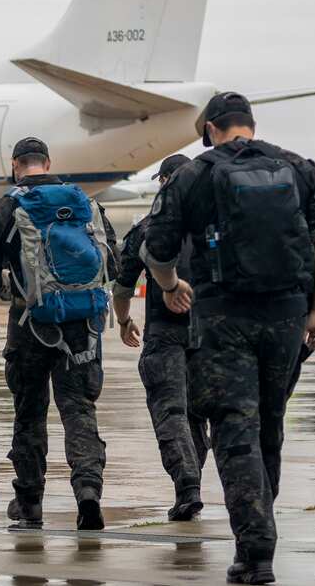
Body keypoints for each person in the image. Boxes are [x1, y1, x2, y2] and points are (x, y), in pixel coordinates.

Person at [143, 92, 315, 585]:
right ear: (250, 124)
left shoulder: (194, 175)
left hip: (222, 318)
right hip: (286, 317)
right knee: (270, 423)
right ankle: (262, 526)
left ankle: (254, 552)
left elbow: (157, 247)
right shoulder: (299, 169)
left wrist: (170, 286)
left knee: (235, 429)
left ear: (210, 129)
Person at [0, 137, 117, 531]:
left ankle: (30, 503)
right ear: (48, 163)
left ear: (15, 165)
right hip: (83, 325)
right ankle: (88, 490)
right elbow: (112, 262)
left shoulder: (8, 205)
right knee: (79, 410)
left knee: (30, 412)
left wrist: (4, 287)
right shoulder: (83, 202)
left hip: (30, 323)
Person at [113, 154, 209, 521]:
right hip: (208, 334)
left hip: (165, 333)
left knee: (171, 412)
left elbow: (123, 288)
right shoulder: (214, 223)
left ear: (166, 181)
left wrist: (124, 322)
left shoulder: (147, 228)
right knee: (196, 416)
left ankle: (187, 486)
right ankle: (192, 483)